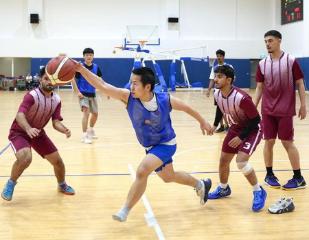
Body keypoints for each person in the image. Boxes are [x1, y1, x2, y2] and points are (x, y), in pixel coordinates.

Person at [73, 62, 212, 222]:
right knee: (168, 177)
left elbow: (187, 108)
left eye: (135, 83)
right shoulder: (128, 98)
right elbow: (103, 85)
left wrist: (202, 121)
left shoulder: (165, 100)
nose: (131, 86)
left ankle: (125, 209)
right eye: (130, 82)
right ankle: (200, 184)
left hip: (166, 144)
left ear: (147, 87)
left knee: (142, 170)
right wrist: (81, 69)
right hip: (150, 147)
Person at [1, 67, 75, 201]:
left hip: (38, 133)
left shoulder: (57, 100)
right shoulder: (32, 95)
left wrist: (64, 129)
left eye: (52, 80)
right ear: (40, 79)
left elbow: (55, 122)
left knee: (58, 162)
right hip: (20, 132)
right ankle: (11, 183)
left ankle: (61, 185)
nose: (49, 82)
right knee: (25, 158)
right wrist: (28, 129)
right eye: (46, 79)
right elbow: (20, 115)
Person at [208, 65, 267, 212]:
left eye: (219, 76)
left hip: (253, 129)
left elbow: (256, 120)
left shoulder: (242, 98)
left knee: (241, 162)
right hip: (236, 127)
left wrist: (241, 137)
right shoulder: (217, 93)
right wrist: (215, 125)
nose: (215, 79)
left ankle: (258, 191)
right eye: (215, 76)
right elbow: (220, 108)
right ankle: (223, 189)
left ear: (228, 80)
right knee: (223, 160)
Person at [254, 30, 307, 190]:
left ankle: (298, 178)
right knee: (268, 141)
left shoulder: (290, 60)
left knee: (287, 142)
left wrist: (303, 105)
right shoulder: (262, 64)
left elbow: (300, 83)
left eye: (270, 41)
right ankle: (269, 175)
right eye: (265, 41)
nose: (267, 44)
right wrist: (252, 107)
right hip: (267, 110)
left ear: (279, 41)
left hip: (285, 110)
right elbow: (259, 87)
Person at [72, 48, 102, 144]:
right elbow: (72, 79)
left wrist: (105, 92)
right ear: (84, 56)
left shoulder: (96, 67)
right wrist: (77, 92)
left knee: (95, 114)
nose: (89, 56)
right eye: (87, 55)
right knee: (86, 113)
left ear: (93, 56)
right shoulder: (80, 67)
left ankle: (91, 130)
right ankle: (84, 136)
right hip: (83, 94)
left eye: (90, 55)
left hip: (92, 94)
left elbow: (100, 81)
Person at [206, 49, 233, 133]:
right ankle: (221, 126)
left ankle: (228, 125)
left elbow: (232, 78)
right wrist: (209, 90)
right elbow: (212, 80)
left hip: (226, 91)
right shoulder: (215, 68)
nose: (218, 57)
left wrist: (229, 88)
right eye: (217, 56)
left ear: (223, 57)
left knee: (226, 109)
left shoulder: (229, 67)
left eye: (220, 56)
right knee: (219, 108)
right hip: (217, 91)